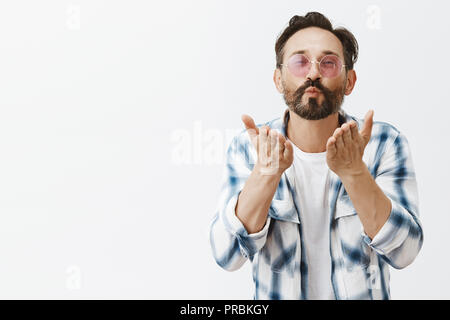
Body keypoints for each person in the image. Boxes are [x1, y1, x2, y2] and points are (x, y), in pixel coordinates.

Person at [209, 12, 423, 300]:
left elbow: (405, 253)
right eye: (299, 62)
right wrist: (265, 174)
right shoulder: (252, 147)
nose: (312, 73)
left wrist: (354, 172)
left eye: (328, 63)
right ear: (278, 79)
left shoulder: (383, 143)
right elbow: (226, 255)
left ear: (349, 81)